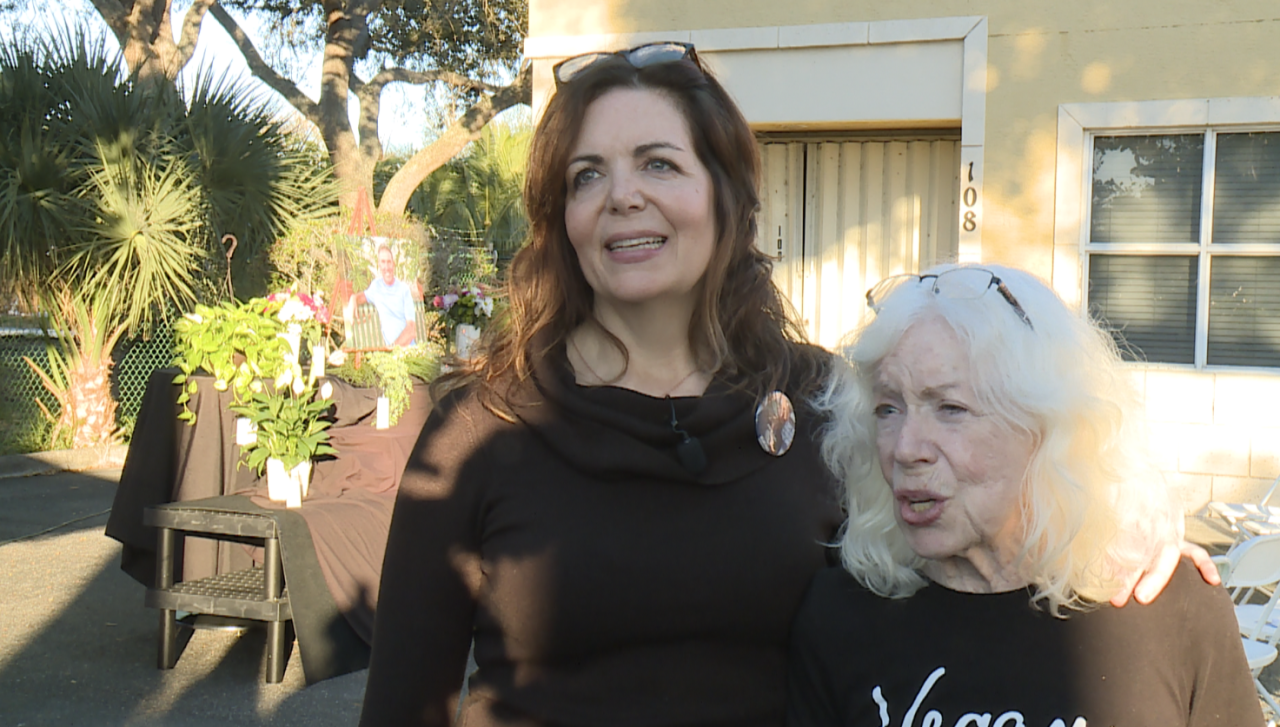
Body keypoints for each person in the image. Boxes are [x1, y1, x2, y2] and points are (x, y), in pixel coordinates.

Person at [361, 44, 1217, 727]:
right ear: (561, 219)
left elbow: (984, 521)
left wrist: (1128, 525)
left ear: (726, 195)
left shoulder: (829, 403)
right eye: (586, 175)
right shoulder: (483, 429)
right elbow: (403, 705)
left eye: (658, 163)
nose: (621, 196)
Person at [787, 264, 1262, 726]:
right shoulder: (839, 617)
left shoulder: (1168, 608)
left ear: (1046, 427)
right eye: (887, 409)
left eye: (950, 408)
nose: (906, 449)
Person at [350, 243, 416, 347]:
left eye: (389, 262)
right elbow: (360, 298)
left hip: (407, 348)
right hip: (390, 350)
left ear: (393, 264)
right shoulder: (376, 287)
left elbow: (411, 329)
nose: (386, 267)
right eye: (383, 262)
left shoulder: (404, 290)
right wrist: (353, 298)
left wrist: (393, 348)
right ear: (379, 265)